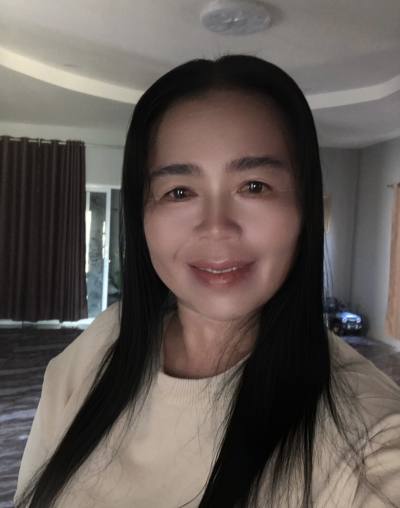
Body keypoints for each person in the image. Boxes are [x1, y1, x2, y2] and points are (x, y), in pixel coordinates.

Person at [14, 55, 400, 508]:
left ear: (304, 207)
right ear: (142, 215)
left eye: (254, 186)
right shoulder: (103, 341)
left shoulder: (370, 438)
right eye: (179, 191)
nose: (216, 227)